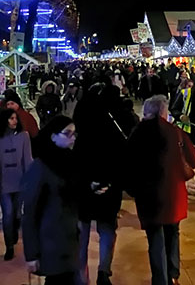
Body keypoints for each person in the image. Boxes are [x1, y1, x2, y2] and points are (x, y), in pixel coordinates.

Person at [125, 96, 195, 285]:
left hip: (148, 196)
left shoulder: (137, 134)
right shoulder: (175, 133)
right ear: (163, 113)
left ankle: (160, 279)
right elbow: (194, 159)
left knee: (155, 239)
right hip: (173, 194)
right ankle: (173, 274)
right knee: (172, 232)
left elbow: (127, 164)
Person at [74, 81, 137, 285]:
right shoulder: (114, 127)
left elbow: (77, 159)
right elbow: (122, 159)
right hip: (109, 187)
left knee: (82, 234)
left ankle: (81, 276)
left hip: (86, 188)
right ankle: (103, 270)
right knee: (107, 230)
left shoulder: (84, 128)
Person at [22, 115, 80, 284]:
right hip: (51, 242)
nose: (73, 137)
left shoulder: (70, 161)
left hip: (70, 239)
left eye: (74, 133)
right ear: (53, 136)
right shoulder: (40, 167)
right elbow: (30, 212)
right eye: (68, 133)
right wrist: (31, 254)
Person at [0, 106, 33, 260]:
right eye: (11, 118)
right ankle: (9, 245)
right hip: (3, 182)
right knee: (7, 214)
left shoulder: (24, 136)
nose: (14, 121)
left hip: (20, 180)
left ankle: (15, 230)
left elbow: (28, 159)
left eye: (16, 118)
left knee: (16, 213)